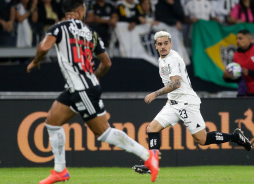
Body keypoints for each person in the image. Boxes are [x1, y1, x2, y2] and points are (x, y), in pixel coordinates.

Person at [27, 0, 159, 183]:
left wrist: (35, 61)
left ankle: (148, 156)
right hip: (78, 87)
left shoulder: (58, 28)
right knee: (52, 122)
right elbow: (106, 63)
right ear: (81, 11)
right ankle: (60, 171)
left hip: (82, 89)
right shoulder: (91, 33)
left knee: (104, 132)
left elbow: (43, 47)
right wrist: (94, 78)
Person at [133, 31, 252, 174]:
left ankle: (235, 137)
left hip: (187, 103)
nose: (163, 46)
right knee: (152, 128)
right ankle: (151, 164)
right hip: (174, 103)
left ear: (171, 44)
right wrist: (170, 100)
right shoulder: (162, 59)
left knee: (202, 140)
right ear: (156, 46)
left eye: (166, 43)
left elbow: (176, 83)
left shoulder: (173, 59)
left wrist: (155, 94)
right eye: (160, 44)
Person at [223, 29, 254, 97]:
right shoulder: (236, 55)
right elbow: (238, 77)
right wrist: (227, 77)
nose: (237, 41)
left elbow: (248, 73)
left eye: (240, 38)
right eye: (237, 38)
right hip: (244, 94)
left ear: (248, 39)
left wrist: (250, 72)